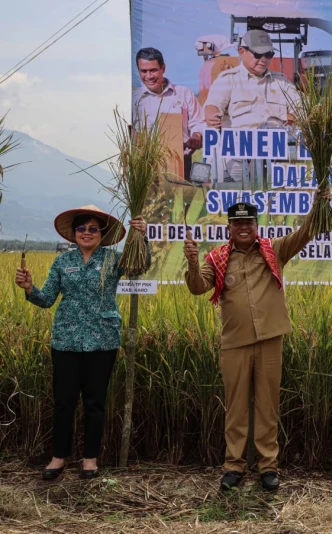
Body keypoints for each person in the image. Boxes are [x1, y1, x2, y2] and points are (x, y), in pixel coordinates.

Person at [183, 202, 314, 492]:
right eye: (237, 223)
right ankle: (234, 466)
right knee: (236, 408)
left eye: (249, 223)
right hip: (234, 343)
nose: (243, 227)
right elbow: (197, 287)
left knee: (268, 405)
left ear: (256, 226)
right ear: (229, 228)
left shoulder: (275, 250)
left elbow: (305, 232)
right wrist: (193, 263)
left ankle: (268, 467)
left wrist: (319, 204)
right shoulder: (217, 258)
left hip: (270, 339)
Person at [14, 205, 148, 480]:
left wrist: (141, 237)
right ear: (74, 234)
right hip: (66, 340)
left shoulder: (113, 260)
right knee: (64, 401)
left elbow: (141, 265)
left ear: (101, 234)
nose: (86, 233)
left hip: (103, 340)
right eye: (81, 228)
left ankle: (90, 459)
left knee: (95, 402)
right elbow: (47, 299)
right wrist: (29, 287)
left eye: (92, 229)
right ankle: (58, 458)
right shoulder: (63, 262)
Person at [204, 30, 300, 183]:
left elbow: (301, 110)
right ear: (241, 51)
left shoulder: (282, 82)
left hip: (276, 156)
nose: (263, 60)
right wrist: (212, 115)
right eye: (257, 54)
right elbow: (213, 105)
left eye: (268, 55)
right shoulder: (228, 79)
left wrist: (294, 118)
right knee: (233, 201)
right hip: (238, 156)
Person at [133, 47, 205, 179]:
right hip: (145, 165)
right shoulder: (133, 99)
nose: (148, 76)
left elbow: (199, 121)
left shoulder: (183, 93)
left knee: (182, 198)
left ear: (163, 68)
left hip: (181, 163)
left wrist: (196, 135)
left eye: (153, 70)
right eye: (144, 71)